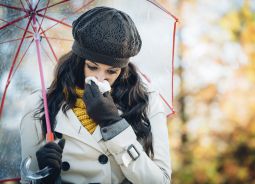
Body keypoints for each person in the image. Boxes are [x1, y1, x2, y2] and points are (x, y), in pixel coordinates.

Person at [20, 6, 171, 184]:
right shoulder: (40, 104)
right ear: (78, 61)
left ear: (122, 70)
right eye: (92, 67)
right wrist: (44, 178)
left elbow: (160, 181)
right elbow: (27, 180)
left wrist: (114, 125)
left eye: (112, 71)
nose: (101, 78)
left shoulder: (148, 101)